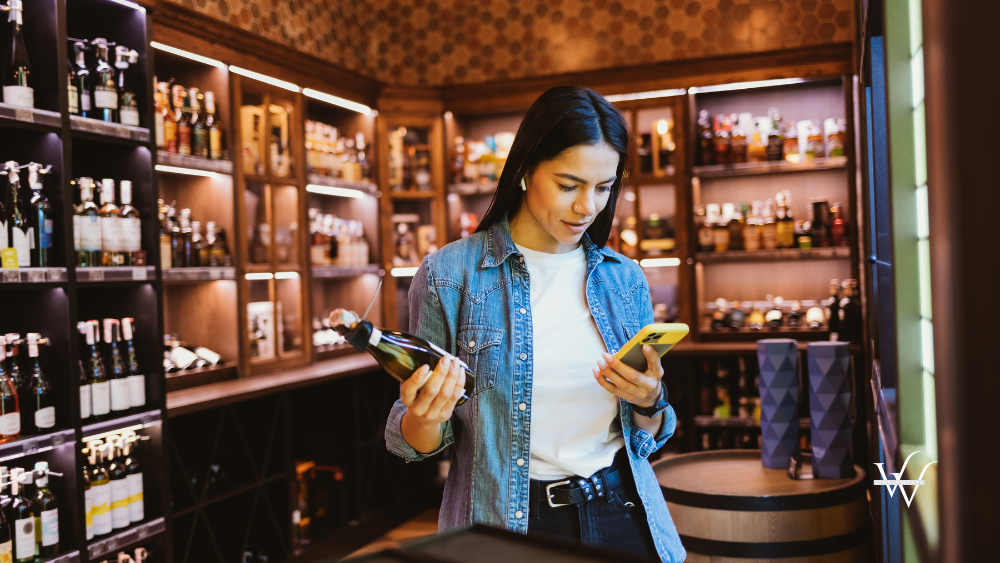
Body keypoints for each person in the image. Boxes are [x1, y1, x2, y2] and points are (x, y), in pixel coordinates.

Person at [384, 86, 686, 563]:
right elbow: (414, 443)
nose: (588, 207)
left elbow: (646, 434)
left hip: (621, 513)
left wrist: (650, 398)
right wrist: (425, 414)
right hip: (508, 525)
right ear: (525, 170)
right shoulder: (450, 276)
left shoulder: (624, 280)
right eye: (569, 185)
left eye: (604, 188)